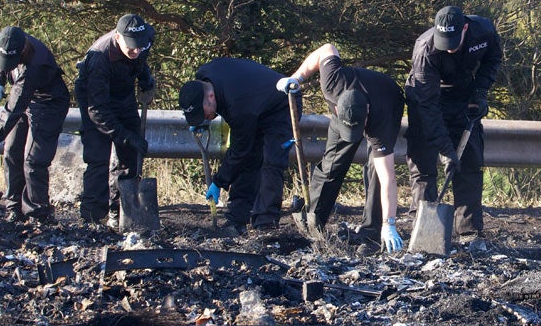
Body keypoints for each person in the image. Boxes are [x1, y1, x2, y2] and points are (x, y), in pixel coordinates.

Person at [277, 43, 406, 253]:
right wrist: (297, 77)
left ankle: (372, 233)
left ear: (367, 114)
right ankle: (313, 224)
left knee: (376, 170)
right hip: (347, 111)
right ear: (336, 106)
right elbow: (327, 49)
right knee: (332, 163)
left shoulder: (379, 121)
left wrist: (389, 224)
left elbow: (388, 178)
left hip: (389, 100)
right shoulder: (332, 83)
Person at [404, 5, 502, 244]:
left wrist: (480, 92)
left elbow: (493, 58)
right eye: (443, 42)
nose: (447, 48)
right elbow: (429, 108)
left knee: (469, 162)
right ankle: (424, 232)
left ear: (465, 28)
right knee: (424, 165)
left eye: (452, 41)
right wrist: (445, 149)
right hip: (425, 96)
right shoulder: (425, 49)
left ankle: (469, 231)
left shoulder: (483, 31)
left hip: (463, 95)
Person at [178, 58, 296, 234]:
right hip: (256, 104)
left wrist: (219, 181)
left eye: (203, 113)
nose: (205, 117)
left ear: (211, 97)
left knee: (271, 161)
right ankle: (237, 218)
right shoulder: (204, 76)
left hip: (282, 104)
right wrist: (202, 119)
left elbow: (240, 149)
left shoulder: (238, 105)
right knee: (248, 162)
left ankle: (266, 223)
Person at [0, 26, 70, 224]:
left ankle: (38, 214)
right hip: (26, 99)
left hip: (49, 103)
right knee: (11, 151)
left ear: (21, 52)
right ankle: (13, 207)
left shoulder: (33, 65)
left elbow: (13, 110)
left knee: (33, 160)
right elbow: (2, 62)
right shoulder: (8, 40)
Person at [74, 14, 156, 228]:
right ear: (118, 38)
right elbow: (98, 112)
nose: (136, 51)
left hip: (123, 94)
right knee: (97, 156)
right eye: (131, 48)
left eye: (140, 47)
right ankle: (92, 218)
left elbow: (141, 58)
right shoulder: (99, 58)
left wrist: (144, 77)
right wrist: (126, 137)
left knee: (130, 157)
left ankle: (121, 211)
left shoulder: (144, 40)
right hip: (96, 100)